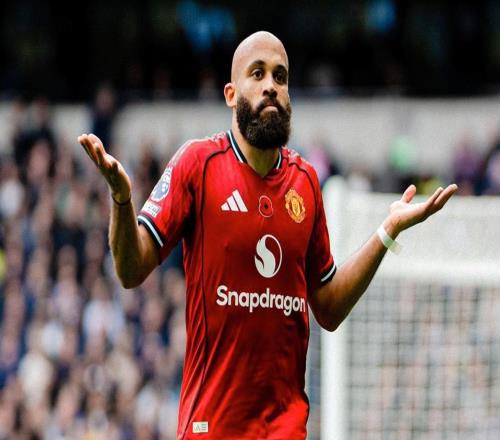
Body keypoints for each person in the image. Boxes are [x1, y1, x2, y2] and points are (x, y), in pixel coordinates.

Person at [78, 31, 457, 440]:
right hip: (212, 427)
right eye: (257, 74)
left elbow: (328, 307)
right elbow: (130, 270)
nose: (271, 86)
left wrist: (387, 231)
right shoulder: (197, 164)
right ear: (230, 94)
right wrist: (121, 199)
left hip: (285, 428)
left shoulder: (305, 182)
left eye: (280, 76)